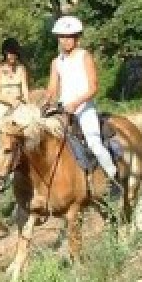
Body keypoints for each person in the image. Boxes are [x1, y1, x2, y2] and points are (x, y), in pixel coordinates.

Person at [45, 15, 119, 187]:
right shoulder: (56, 62)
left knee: (94, 144)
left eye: (70, 36)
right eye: (62, 37)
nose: (66, 41)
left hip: (84, 109)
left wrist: (76, 103)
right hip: (64, 109)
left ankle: (114, 178)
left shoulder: (84, 56)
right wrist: (45, 101)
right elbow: (52, 88)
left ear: (76, 37)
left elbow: (93, 87)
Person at [0, 37, 29, 135]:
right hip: (2, 106)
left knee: (29, 129)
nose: (12, 56)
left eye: (14, 53)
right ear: (5, 53)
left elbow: (25, 89)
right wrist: (10, 101)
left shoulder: (21, 69)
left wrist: (27, 103)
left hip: (19, 105)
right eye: (9, 53)